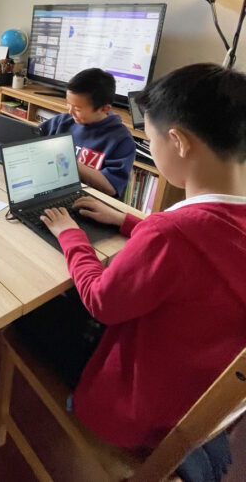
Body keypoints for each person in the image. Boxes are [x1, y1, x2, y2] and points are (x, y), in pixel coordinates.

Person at [21, 63, 246, 451]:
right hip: (195, 403)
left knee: (27, 311)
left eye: (151, 138)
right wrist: (127, 220)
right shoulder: (213, 222)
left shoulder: (169, 233)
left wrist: (70, 235)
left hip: (135, 412)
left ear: (178, 141)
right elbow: (197, 247)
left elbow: (100, 302)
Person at [39, 68, 135, 197]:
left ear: (104, 109)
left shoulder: (121, 140)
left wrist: (70, 163)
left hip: (88, 202)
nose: (70, 112)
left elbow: (111, 187)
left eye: (77, 108)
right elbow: (32, 137)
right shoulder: (63, 121)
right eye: (68, 104)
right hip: (52, 190)